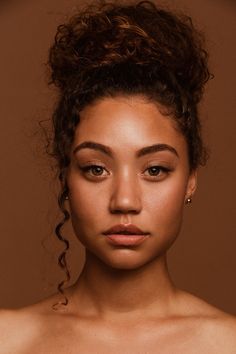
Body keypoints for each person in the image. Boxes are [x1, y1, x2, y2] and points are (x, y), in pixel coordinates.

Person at [0, 1, 235, 353]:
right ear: (66, 175)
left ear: (190, 179)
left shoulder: (227, 343)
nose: (124, 201)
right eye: (96, 169)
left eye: (155, 170)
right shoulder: (9, 338)